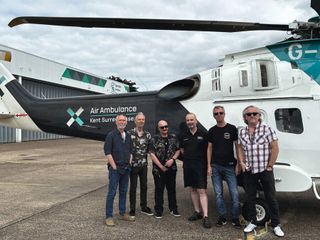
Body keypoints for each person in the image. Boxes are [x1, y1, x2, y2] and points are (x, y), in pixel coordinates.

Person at [237, 105, 284, 237]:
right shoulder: (242, 132)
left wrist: (270, 165)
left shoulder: (267, 129)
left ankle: (276, 225)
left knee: (271, 198)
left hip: (264, 169)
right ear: (245, 117)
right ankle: (251, 221)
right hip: (250, 170)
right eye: (249, 114)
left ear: (259, 116)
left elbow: (275, 148)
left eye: (255, 113)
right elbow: (240, 147)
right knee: (250, 197)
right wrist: (241, 162)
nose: (252, 116)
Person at [207, 106, 241, 228]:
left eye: (221, 113)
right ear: (213, 116)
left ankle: (235, 218)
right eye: (216, 113)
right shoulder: (211, 131)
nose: (219, 115)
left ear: (224, 114)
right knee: (218, 194)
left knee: (234, 193)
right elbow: (209, 148)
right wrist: (209, 166)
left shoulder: (232, 129)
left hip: (230, 166)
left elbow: (237, 147)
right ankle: (222, 216)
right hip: (215, 166)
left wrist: (238, 164)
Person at [180, 113, 211, 228]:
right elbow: (182, 150)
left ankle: (206, 216)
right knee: (192, 189)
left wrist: (208, 166)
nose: (190, 122)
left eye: (192, 120)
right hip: (188, 166)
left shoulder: (203, 134)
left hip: (200, 166)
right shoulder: (183, 135)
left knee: (201, 191)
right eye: (188, 120)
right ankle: (197, 212)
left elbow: (208, 150)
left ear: (196, 121)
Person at [104, 114, 135, 227]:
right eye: (120, 120)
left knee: (123, 192)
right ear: (116, 122)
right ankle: (109, 216)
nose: (122, 122)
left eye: (124, 120)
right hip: (115, 169)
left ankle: (122, 213)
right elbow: (108, 152)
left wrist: (129, 163)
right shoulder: (111, 135)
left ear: (126, 122)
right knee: (112, 193)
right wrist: (114, 167)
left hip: (126, 169)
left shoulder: (128, 135)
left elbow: (131, 151)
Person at [150, 120, 180, 219]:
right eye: (162, 127)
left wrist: (173, 159)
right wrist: (161, 166)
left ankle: (173, 209)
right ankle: (159, 211)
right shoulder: (154, 139)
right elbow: (152, 154)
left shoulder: (173, 137)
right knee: (159, 189)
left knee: (171, 189)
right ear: (158, 128)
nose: (164, 129)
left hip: (172, 167)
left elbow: (178, 150)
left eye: (166, 126)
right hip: (158, 169)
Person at [128, 112, 153, 217]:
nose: (141, 121)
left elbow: (149, 150)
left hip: (143, 165)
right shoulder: (129, 133)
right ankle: (132, 208)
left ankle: (144, 207)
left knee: (144, 186)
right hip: (133, 165)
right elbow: (126, 149)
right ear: (135, 121)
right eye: (139, 119)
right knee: (133, 188)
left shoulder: (147, 135)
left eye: (143, 119)